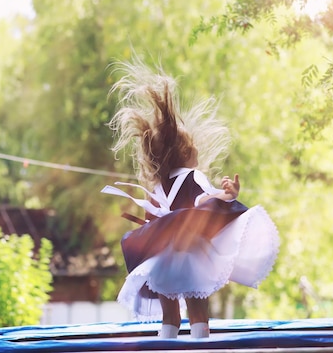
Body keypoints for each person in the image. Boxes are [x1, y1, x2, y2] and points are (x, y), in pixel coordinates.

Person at [102, 59, 279, 339]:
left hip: (162, 260)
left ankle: (166, 343)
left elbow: (155, 220)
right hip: (191, 255)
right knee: (198, 308)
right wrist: (227, 195)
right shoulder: (193, 177)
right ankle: (200, 341)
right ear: (186, 153)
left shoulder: (161, 185)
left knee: (169, 315)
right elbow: (202, 203)